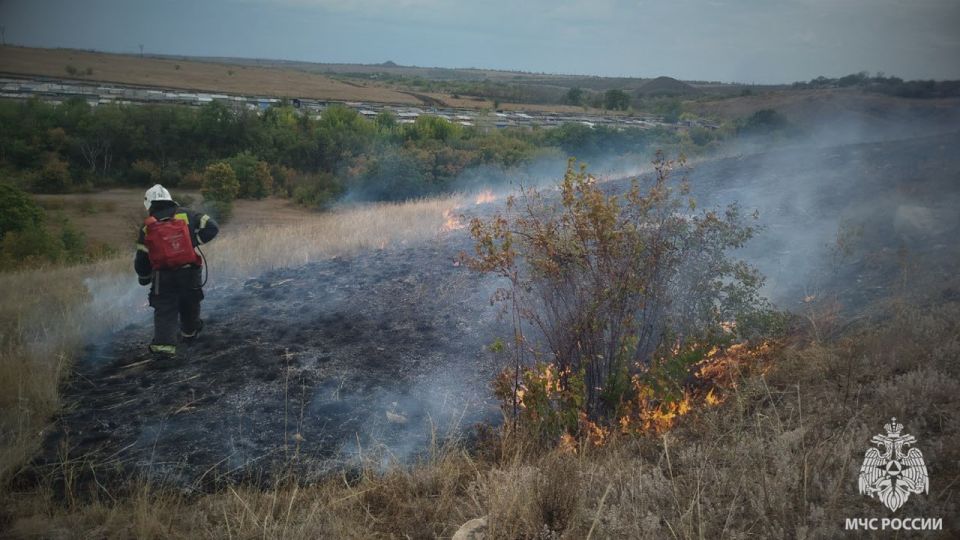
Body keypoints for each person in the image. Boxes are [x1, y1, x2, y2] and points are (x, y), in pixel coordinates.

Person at [135, 184, 219, 358]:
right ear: (169, 198)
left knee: (165, 309)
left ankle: (164, 352)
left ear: (149, 204)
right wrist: (193, 242)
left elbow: (142, 258)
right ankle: (190, 333)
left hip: (162, 276)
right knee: (190, 301)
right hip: (189, 271)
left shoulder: (148, 226)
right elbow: (212, 227)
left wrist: (144, 277)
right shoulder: (187, 214)